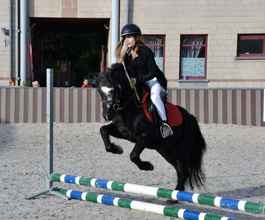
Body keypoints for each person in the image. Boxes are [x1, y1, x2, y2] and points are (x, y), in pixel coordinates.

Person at [116, 23, 173, 138]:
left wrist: (138, 80)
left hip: (154, 81)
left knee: (154, 97)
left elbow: (152, 73)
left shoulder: (146, 51)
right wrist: (121, 57)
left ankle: (165, 124)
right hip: (140, 82)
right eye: (125, 37)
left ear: (137, 37)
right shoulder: (127, 55)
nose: (128, 40)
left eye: (130, 37)